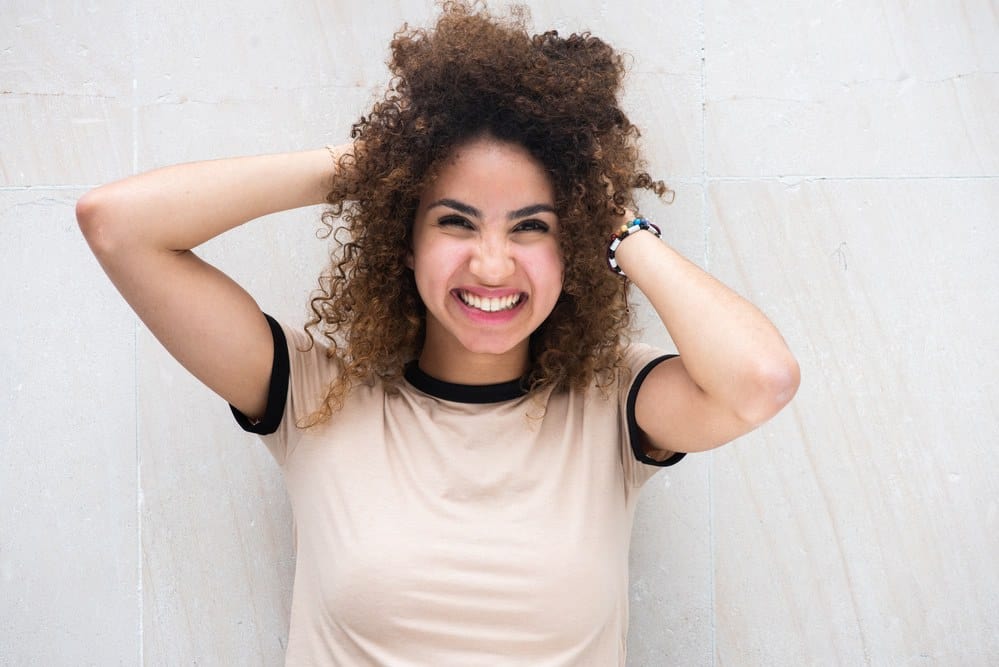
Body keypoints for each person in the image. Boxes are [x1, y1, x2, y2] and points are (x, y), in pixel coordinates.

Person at [77, 2, 799, 664]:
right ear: (406, 240)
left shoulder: (613, 402)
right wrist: (371, 163)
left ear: (573, 247)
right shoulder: (311, 390)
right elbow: (117, 226)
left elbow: (759, 381)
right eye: (455, 220)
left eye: (531, 228)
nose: (491, 263)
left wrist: (619, 227)